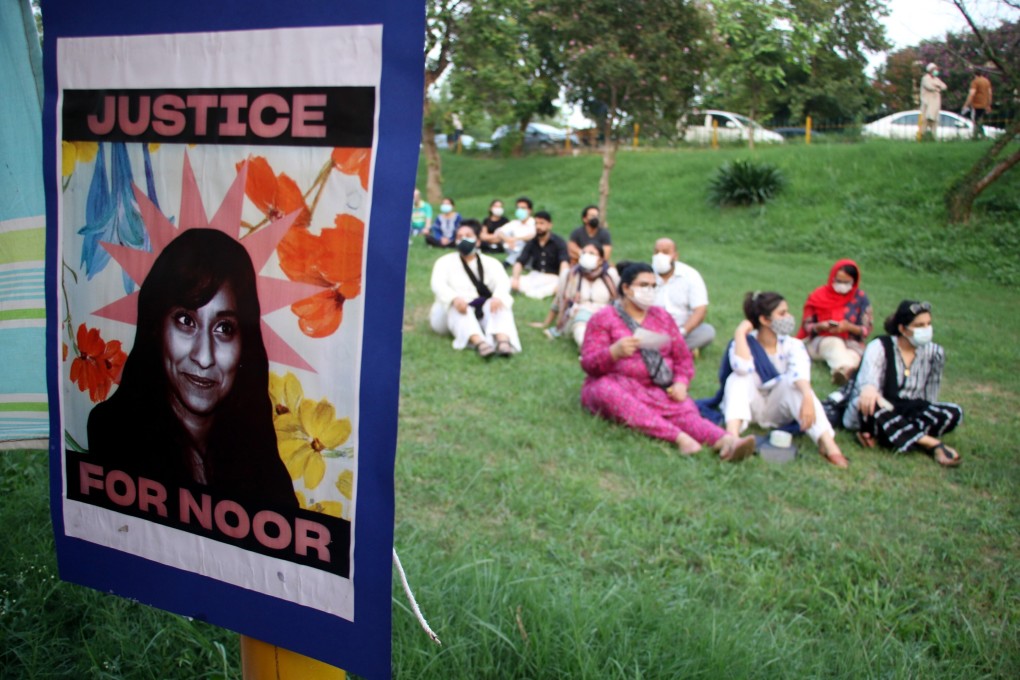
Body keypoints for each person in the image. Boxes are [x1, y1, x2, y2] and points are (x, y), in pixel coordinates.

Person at [87, 229, 297, 507]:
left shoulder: (256, 452)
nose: (204, 356)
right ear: (156, 327)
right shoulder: (113, 432)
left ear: (244, 344)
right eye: (186, 321)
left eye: (224, 328)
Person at [580, 262, 757, 461]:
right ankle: (679, 438)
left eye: (653, 286)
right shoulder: (604, 318)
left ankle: (726, 442)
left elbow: (683, 357)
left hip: (659, 388)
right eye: (643, 285)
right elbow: (588, 364)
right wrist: (613, 352)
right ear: (626, 288)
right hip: (618, 385)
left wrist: (681, 381)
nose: (649, 291)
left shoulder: (662, 317)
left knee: (684, 411)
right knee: (608, 392)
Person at [718, 291, 849, 468]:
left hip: (778, 408)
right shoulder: (744, 343)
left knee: (795, 385)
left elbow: (799, 373)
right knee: (737, 378)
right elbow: (742, 367)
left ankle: (828, 445)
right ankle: (732, 439)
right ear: (765, 320)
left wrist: (807, 397)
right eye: (782, 314)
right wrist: (740, 332)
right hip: (750, 407)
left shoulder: (792, 345)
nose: (788, 317)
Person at [844, 300, 963, 466]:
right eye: (919, 325)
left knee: (953, 412)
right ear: (902, 329)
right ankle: (930, 443)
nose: (926, 329)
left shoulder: (934, 353)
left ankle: (891, 434)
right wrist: (871, 391)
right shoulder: (879, 346)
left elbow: (929, 399)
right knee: (871, 406)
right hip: (880, 407)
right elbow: (868, 389)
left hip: (909, 411)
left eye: (928, 324)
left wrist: (916, 413)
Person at [429, 224, 522, 357]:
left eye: (468, 236)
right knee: (458, 306)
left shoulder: (491, 262)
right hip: (451, 312)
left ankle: (503, 341)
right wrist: (454, 298)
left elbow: (503, 282)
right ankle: (479, 343)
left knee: (500, 302)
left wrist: (497, 297)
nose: (464, 239)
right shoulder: (444, 262)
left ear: (478, 241)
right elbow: (437, 284)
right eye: (460, 237)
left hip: (480, 308)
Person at [797, 259, 873, 385]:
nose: (842, 285)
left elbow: (866, 330)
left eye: (846, 282)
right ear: (832, 278)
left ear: (854, 282)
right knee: (835, 343)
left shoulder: (860, 298)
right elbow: (807, 326)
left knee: (854, 355)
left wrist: (849, 327)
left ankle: (845, 372)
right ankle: (846, 371)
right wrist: (821, 326)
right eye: (838, 281)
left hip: (851, 343)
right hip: (821, 341)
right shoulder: (818, 295)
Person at [539, 243, 618, 347]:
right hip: (579, 315)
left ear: (600, 259)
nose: (587, 256)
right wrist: (546, 322)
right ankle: (590, 350)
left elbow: (619, 300)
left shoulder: (610, 275)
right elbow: (559, 300)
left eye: (591, 253)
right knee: (581, 333)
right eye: (584, 252)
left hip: (604, 315)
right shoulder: (570, 275)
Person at [651, 237, 715, 352]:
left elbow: (700, 310)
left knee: (707, 331)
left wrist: (682, 332)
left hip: (682, 330)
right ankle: (676, 350)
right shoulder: (646, 274)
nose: (660, 256)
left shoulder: (690, 275)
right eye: (656, 252)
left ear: (675, 256)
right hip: (652, 329)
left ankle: (666, 349)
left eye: (665, 252)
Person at [510, 210, 569, 299]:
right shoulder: (532, 242)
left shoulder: (559, 242)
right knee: (509, 281)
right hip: (535, 276)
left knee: (559, 287)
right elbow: (520, 261)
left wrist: (562, 282)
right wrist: (515, 279)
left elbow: (564, 263)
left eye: (542, 223)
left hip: (553, 278)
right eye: (536, 223)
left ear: (549, 225)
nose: (538, 227)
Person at [494, 196, 536, 266]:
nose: (520, 210)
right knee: (505, 236)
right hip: (512, 247)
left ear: (530, 210)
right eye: (518, 208)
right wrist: (508, 239)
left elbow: (533, 236)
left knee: (525, 244)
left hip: (525, 248)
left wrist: (516, 239)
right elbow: (499, 231)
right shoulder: (514, 223)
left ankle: (507, 262)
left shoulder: (534, 223)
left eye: (523, 208)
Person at [963, 67, 993, 139]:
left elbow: (972, 94)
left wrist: (966, 105)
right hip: (984, 104)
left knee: (976, 120)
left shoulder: (975, 82)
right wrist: (989, 104)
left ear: (974, 74)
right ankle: (979, 135)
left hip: (976, 104)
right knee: (979, 119)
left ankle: (978, 136)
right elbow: (990, 93)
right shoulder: (987, 81)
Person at [919, 63, 948, 138]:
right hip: (927, 103)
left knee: (934, 121)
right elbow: (929, 87)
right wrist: (937, 87)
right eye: (935, 69)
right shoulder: (925, 78)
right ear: (930, 70)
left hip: (935, 103)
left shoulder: (937, 79)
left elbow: (944, 86)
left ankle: (933, 136)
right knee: (925, 120)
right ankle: (922, 136)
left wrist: (937, 86)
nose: (936, 71)